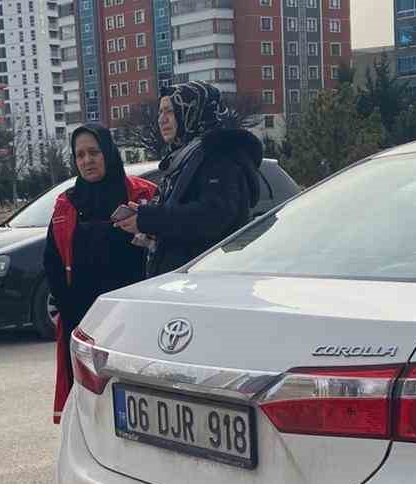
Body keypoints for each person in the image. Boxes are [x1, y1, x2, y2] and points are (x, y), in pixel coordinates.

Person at [44, 124, 156, 422]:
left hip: (133, 317)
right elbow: (52, 258)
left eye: (94, 152)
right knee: (89, 404)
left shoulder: (142, 193)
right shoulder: (66, 203)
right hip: (83, 319)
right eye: (79, 155)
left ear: (108, 152)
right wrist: (66, 307)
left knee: (132, 400)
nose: (87, 161)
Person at [115, 80, 263, 276]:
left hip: (207, 284)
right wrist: (146, 220)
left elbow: (213, 217)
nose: (162, 119)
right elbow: (179, 219)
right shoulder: (181, 158)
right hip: (183, 281)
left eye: (170, 111)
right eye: (160, 112)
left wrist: (149, 219)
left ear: (194, 111)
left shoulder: (220, 156)